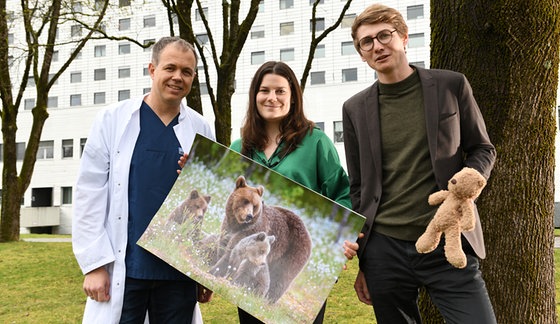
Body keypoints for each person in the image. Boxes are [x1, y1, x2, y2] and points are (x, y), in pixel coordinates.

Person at [341, 4, 497, 323]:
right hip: (384, 249)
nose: (377, 46)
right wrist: (366, 263)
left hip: (448, 240)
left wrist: (470, 181)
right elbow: (358, 188)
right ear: (361, 53)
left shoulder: (451, 85)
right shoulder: (354, 108)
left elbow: (482, 148)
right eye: (366, 42)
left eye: (384, 35)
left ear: (404, 37)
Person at [72, 36, 214, 323]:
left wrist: (205, 270)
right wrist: (94, 264)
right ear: (152, 69)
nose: (178, 77)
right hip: (125, 266)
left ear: (193, 78)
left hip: (178, 271)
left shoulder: (201, 128)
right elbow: (89, 191)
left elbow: (210, 203)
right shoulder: (112, 119)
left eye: (186, 72)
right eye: (170, 68)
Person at [230, 61, 352, 324]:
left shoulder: (316, 142)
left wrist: (341, 242)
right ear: (254, 96)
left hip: (292, 246)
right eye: (264, 91)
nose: (271, 98)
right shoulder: (240, 147)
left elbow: (343, 194)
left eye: (280, 91)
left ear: (293, 97)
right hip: (253, 253)